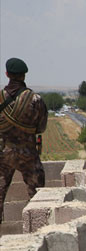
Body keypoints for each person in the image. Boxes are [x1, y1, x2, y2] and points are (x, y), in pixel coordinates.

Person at [0, 58, 48, 224]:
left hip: (3, 153)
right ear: (24, 75)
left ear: (7, 74)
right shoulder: (36, 99)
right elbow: (41, 127)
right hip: (28, 153)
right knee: (38, 196)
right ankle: (39, 230)